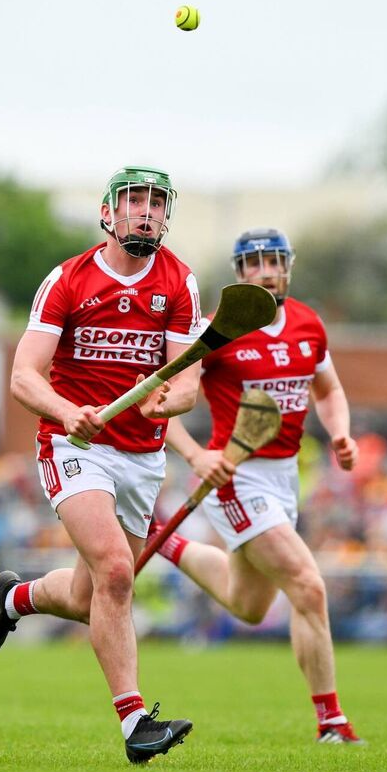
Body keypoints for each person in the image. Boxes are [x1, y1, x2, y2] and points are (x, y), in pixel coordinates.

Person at [0, 167, 203, 764]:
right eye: (134, 201)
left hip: (142, 455)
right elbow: (24, 375)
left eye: (156, 202)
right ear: (108, 213)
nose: (146, 212)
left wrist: (166, 399)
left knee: (87, 595)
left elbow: (188, 384)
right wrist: (67, 411)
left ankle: (15, 598)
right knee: (116, 572)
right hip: (73, 444)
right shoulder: (67, 280)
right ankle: (135, 725)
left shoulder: (179, 281)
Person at [150, 228, 364, 743]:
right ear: (239, 272)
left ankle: (169, 542)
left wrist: (340, 432)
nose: (267, 271)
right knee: (308, 587)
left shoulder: (309, 324)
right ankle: (331, 721)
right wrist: (197, 456)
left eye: (275, 260)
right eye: (255, 263)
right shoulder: (216, 331)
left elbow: (328, 390)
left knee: (247, 605)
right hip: (234, 475)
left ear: (288, 265)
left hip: (285, 476)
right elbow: (155, 400)